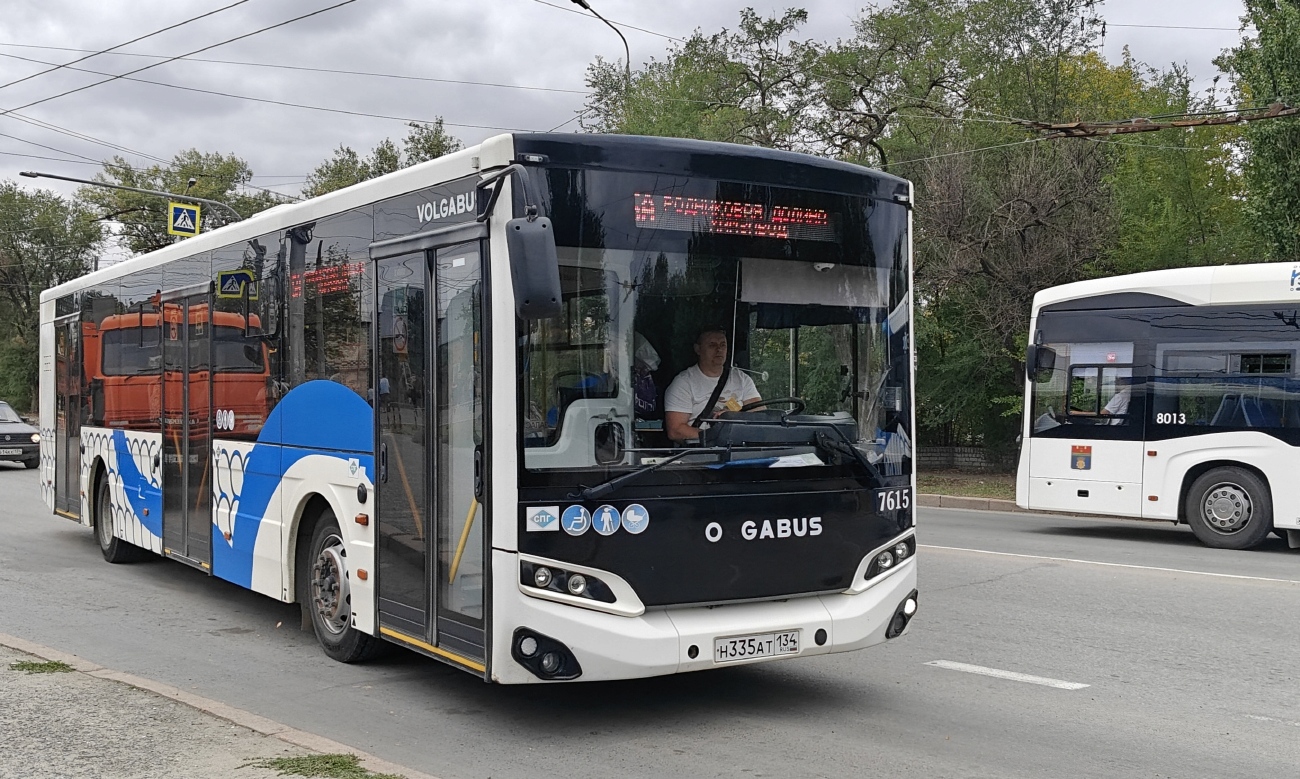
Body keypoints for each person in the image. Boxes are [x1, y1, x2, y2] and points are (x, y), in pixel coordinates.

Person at [664, 327, 761, 443]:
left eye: (723, 345)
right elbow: (675, 431)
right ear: (698, 349)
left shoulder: (742, 379)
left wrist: (734, 416)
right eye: (712, 345)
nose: (719, 350)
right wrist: (715, 435)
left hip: (740, 448)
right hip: (700, 452)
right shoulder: (683, 383)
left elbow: (759, 414)